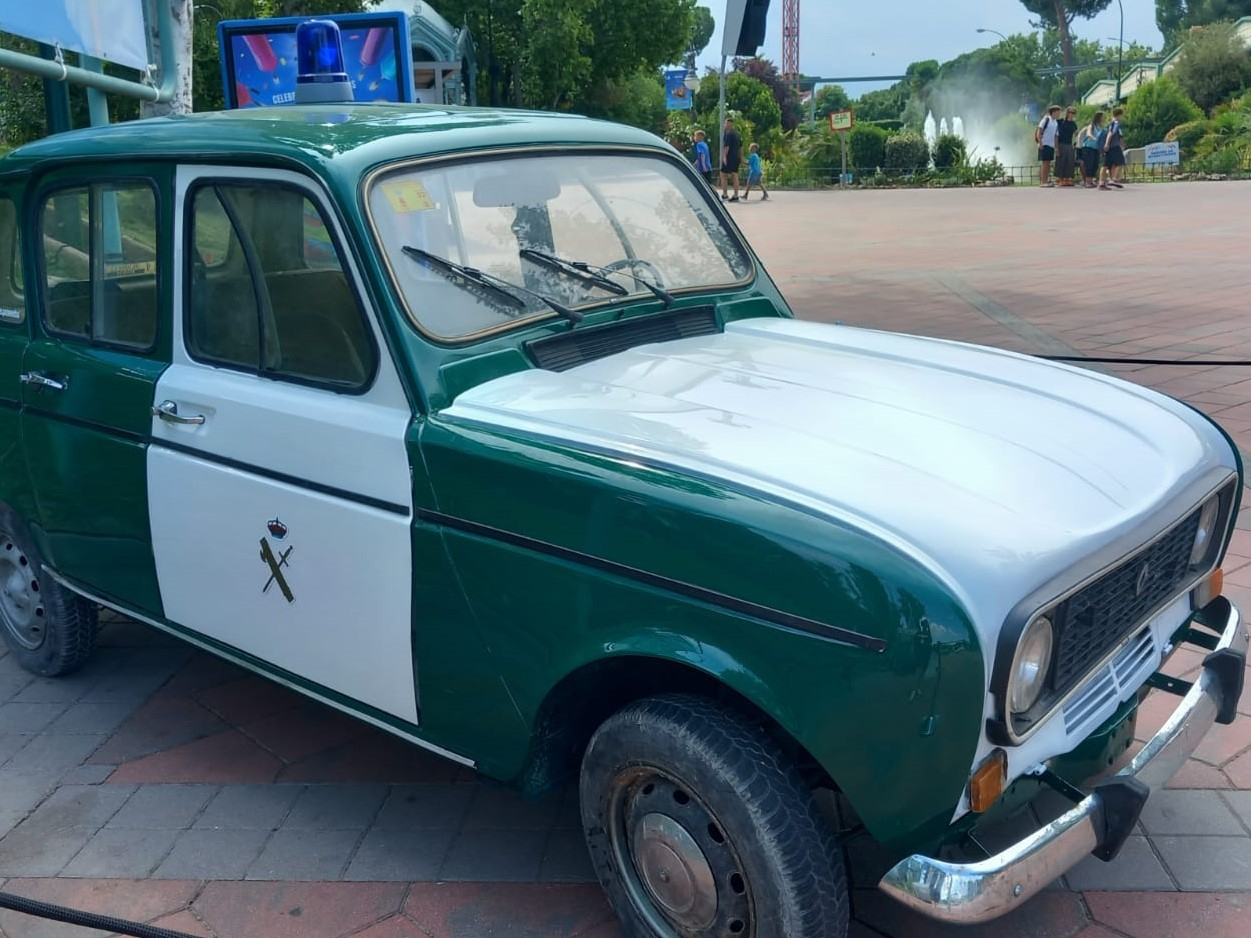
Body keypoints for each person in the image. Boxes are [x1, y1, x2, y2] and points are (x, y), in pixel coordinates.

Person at [1100, 107, 1126, 190]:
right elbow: (1111, 133)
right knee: (1120, 161)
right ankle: (1114, 179)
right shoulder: (1116, 123)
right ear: (1119, 115)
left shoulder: (1109, 123)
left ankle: (1101, 182)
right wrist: (1107, 143)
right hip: (1114, 146)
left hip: (1109, 147)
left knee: (1106, 164)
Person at [1035, 105, 1061, 187]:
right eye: (1057, 112)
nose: (1059, 114)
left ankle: (1046, 180)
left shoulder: (1055, 122)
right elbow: (1039, 131)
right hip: (1044, 143)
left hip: (1051, 145)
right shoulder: (1046, 119)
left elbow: (1056, 136)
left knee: (1048, 163)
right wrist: (1040, 142)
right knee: (1045, 162)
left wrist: (1056, 147)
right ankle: (1043, 181)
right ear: (1053, 112)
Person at [1078, 111, 1104, 188]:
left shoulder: (1099, 127)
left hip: (1096, 148)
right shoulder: (1091, 126)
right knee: (1089, 164)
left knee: (1095, 164)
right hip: (1088, 147)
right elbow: (1089, 133)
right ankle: (1087, 181)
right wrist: (1093, 138)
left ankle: (1091, 180)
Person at [720, 117, 742, 202]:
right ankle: (736, 195)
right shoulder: (737, 134)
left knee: (722, 174)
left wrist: (724, 157)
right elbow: (741, 147)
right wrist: (741, 157)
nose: (725, 125)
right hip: (736, 157)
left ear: (728, 124)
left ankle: (725, 194)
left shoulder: (728, 134)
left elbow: (726, 147)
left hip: (729, 157)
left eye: (725, 124)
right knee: (734, 174)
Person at [1055, 106, 1078, 187]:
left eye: (1073, 113)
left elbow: (1077, 133)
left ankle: (1067, 179)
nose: (1071, 114)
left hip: (1069, 144)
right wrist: (1056, 148)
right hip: (1061, 143)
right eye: (1070, 112)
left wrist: (1077, 142)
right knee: (1061, 161)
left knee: (1070, 161)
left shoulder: (1073, 124)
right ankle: (1060, 179)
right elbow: (1056, 134)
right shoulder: (1061, 122)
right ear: (1067, 113)